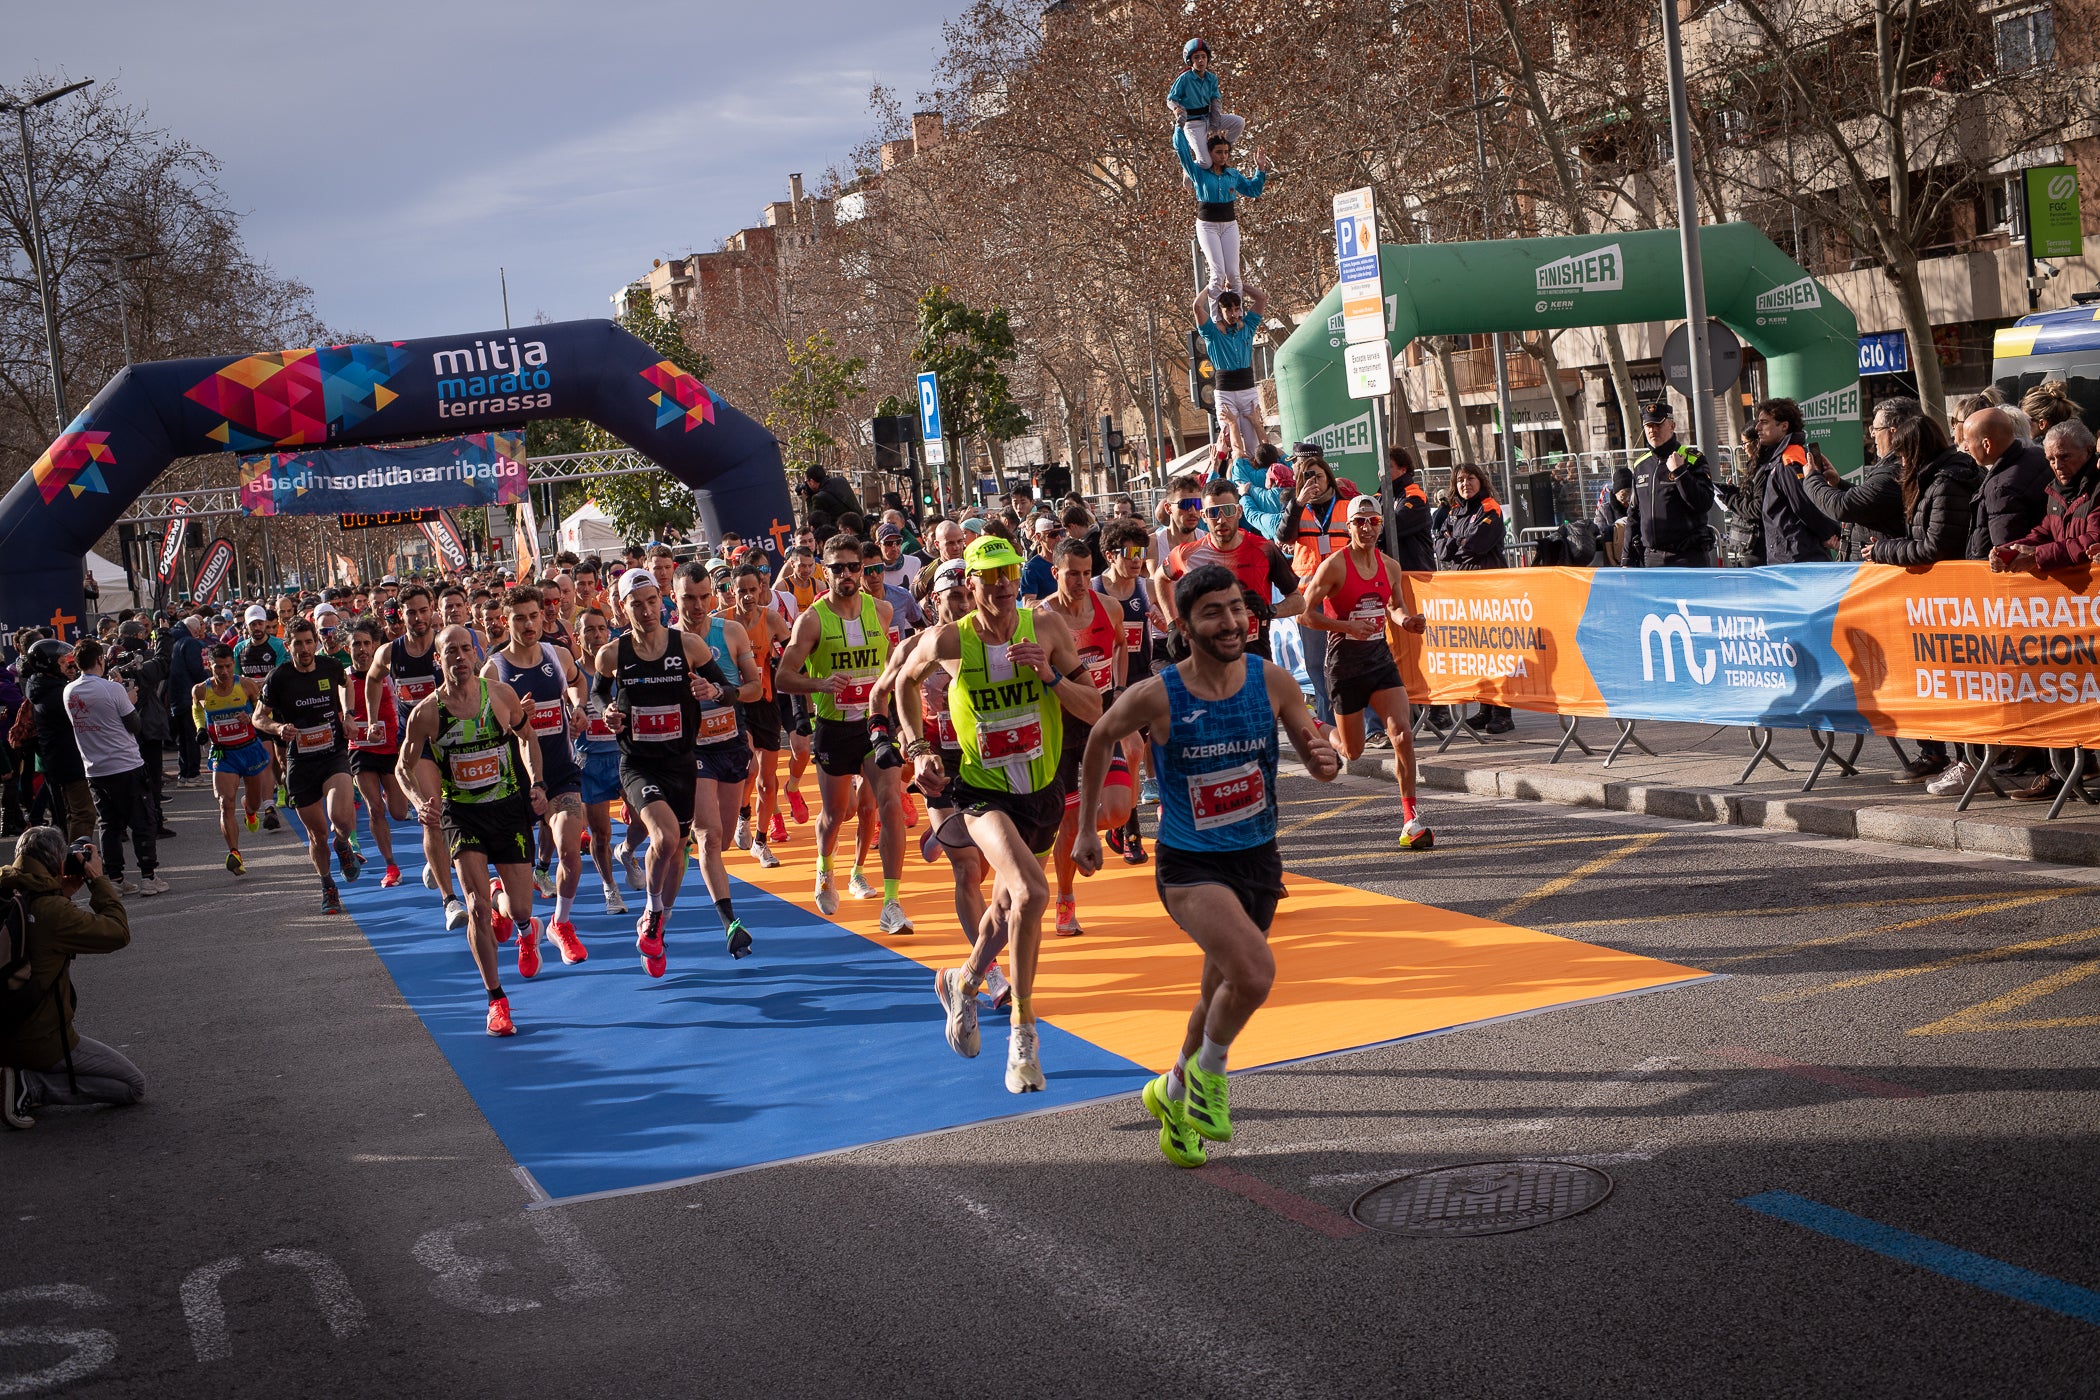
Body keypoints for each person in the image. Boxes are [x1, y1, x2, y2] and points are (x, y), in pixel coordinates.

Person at [1072, 563, 1341, 1166]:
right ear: (1186, 626)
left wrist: (1325, 760)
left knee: (1217, 993)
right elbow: (1099, 737)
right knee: (1255, 974)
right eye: (1213, 612)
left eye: (1236, 608)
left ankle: (1170, 1093)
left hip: (1258, 859)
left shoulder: (1271, 681)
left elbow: (1313, 748)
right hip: (1191, 866)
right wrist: (1088, 827)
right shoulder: (1158, 694)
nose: (1230, 622)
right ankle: (1208, 1078)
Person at [894, 535, 1101, 1093]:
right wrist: (918, 748)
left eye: (1010, 574)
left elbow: (1094, 708)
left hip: (1042, 791)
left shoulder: (1047, 628)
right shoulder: (947, 640)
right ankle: (1023, 1036)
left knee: (1007, 907)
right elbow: (902, 684)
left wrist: (1050, 677)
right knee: (1032, 894)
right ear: (971, 585)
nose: (1003, 586)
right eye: (989, 578)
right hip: (982, 792)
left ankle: (962, 983)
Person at [399, 626, 553, 1037]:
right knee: (477, 908)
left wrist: (537, 783)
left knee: (520, 909)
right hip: (462, 815)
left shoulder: (500, 696)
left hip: (507, 809)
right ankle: (496, 1001)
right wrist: (418, 802)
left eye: (467, 649)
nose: (460, 657)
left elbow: (527, 736)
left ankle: (524, 926)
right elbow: (403, 766)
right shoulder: (427, 713)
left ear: (476, 654)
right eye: (451, 651)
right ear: (439, 659)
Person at [773, 535, 911, 936]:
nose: (847, 574)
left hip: (875, 724)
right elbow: (783, 677)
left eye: (854, 567)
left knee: (886, 805)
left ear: (862, 570)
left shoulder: (882, 610)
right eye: (837, 568)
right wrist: (819, 684)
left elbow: (890, 665)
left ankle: (891, 902)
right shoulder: (812, 619)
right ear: (825, 570)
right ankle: (825, 869)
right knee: (836, 814)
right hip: (834, 728)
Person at [594, 569, 727, 974]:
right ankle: (651, 913)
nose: (647, 610)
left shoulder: (688, 645)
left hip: (681, 762)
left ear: (662, 599)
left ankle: (658, 928)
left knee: (678, 854)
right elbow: (598, 693)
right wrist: (607, 712)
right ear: (622, 608)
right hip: (638, 763)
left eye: (652, 601)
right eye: (637, 604)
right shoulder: (612, 654)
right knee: (665, 838)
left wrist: (712, 690)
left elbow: (729, 690)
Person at [1302, 495, 1434, 847]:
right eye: (1359, 522)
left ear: (1380, 525)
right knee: (1353, 752)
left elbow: (1395, 606)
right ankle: (1314, 723)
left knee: (1402, 734)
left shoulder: (1389, 566)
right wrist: (1346, 626)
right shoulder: (1333, 566)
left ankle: (1410, 819)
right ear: (1349, 527)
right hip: (1344, 666)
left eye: (1373, 521)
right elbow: (1305, 614)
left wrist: (1407, 621)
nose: (1367, 528)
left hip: (1379, 661)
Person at [1989, 419, 2100, 804]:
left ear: (2088, 452)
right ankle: (2067, 769)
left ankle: (2072, 768)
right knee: (2064, 690)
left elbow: (2092, 539)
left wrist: (2038, 556)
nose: (2057, 465)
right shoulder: (2056, 490)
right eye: (2051, 458)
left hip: (2089, 609)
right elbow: (2047, 531)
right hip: (2068, 612)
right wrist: (2014, 548)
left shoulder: (2096, 488)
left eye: (2065, 457)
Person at [1, 828, 142, 1129]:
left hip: (5, 1026)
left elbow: (33, 927)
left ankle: (11, 1075)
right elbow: (118, 933)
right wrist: (97, 879)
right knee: (132, 1085)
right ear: (57, 862)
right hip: (38, 1039)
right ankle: (30, 1086)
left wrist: (59, 890)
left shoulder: (9, 889)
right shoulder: (54, 911)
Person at [1034, 538, 1136, 938]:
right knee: (1069, 823)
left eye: (1086, 573)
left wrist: (1120, 691)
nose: (1080, 581)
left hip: (1100, 721)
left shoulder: (1109, 607)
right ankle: (1065, 898)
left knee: (1119, 811)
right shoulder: (1041, 618)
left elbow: (1122, 646)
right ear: (1055, 572)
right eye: (1072, 574)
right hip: (1059, 730)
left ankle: (1081, 830)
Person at [486, 586, 591, 965]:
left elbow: (578, 682)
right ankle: (511, 915)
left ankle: (560, 923)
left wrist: (579, 708)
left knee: (570, 849)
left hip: (560, 772)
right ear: (506, 621)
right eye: (520, 618)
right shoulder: (494, 670)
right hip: (514, 781)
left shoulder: (557, 654)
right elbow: (482, 731)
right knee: (519, 897)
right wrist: (513, 718)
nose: (529, 624)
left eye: (533, 616)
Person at [669, 563, 761, 958]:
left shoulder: (732, 632)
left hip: (731, 743)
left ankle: (685, 835)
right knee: (709, 837)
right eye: (688, 598)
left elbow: (756, 688)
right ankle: (730, 923)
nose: (697, 605)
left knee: (719, 839)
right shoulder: (665, 643)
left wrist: (723, 693)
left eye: (704, 596)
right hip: (693, 751)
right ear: (673, 597)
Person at [368, 584, 466, 930]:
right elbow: (372, 678)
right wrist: (372, 719)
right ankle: (450, 901)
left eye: (424, 610)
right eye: (411, 612)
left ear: (432, 610)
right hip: (417, 742)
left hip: (454, 736)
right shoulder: (390, 652)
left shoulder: (447, 645)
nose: (419, 617)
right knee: (432, 813)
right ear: (401, 614)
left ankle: (438, 855)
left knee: (460, 811)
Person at [256, 618, 364, 914]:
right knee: (317, 836)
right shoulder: (278, 678)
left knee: (341, 819)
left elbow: (347, 685)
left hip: (332, 755)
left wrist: (349, 715)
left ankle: (343, 844)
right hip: (300, 763)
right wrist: (278, 728)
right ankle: (328, 886)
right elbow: (258, 717)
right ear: (287, 645)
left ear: (316, 642)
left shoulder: (330, 666)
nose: (304, 649)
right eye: (298, 644)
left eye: (308, 642)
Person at [1157, 477, 1302, 662]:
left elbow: (1299, 602)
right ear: (1203, 516)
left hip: (1254, 658)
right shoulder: (1186, 554)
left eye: (1228, 510)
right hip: (1208, 661)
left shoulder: (1264, 549)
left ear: (1239, 511)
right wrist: (1172, 625)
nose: (1221, 520)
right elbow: (1160, 578)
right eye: (1213, 512)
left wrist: (1271, 610)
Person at [64, 639, 163, 897]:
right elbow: (134, 725)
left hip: (95, 768)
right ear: (100, 659)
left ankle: (116, 879)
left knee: (109, 824)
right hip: (125, 764)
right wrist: (129, 698)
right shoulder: (112, 690)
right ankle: (149, 877)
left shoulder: (69, 691)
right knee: (142, 821)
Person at [1094, 517, 1167, 853]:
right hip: (1107, 685)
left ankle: (1121, 823)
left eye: (1142, 552)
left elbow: (1173, 625)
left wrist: (1164, 623)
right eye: (1131, 553)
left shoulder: (1147, 589)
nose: (1139, 559)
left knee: (1140, 753)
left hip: (1142, 681)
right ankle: (1130, 831)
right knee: (1133, 750)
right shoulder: (1095, 589)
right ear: (1111, 555)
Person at [1273, 450, 1351, 725]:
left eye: (1317, 476)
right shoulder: (1297, 507)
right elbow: (1283, 536)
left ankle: (1360, 723)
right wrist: (1298, 503)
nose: (1313, 482)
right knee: (1316, 664)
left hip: (1342, 595)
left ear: (1328, 477)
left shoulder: (1346, 506)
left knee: (1347, 661)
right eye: (1307, 477)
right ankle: (1329, 724)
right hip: (1310, 599)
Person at [1436, 463, 1514, 733]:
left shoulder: (1490, 508)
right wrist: (1460, 541)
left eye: (1470, 478)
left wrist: (1455, 540)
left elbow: (1478, 544)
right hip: (1463, 589)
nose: (1465, 483)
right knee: (1477, 652)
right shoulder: (1454, 511)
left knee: (1496, 652)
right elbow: (1441, 549)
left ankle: (1503, 713)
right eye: (1460, 480)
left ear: (1480, 481)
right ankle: (1485, 708)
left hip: (1490, 588)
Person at [1172, 108, 1269, 300]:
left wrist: (1260, 169)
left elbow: (1253, 190)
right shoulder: (1199, 173)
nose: (1223, 156)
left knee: (1233, 274)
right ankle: (1216, 314)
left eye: (1226, 152)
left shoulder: (1232, 175)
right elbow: (1182, 152)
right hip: (1208, 225)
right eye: (1218, 152)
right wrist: (1179, 127)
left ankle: (1236, 312)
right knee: (1217, 274)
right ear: (1209, 153)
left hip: (1229, 224)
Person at [193, 643, 272, 875]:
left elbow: (264, 711)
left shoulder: (245, 685)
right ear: (210, 666)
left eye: (228, 666)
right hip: (222, 752)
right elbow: (196, 710)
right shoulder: (201, 690)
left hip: (249, 749)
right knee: (225, 802)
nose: (224, 672)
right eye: (219, 667)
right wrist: (201, 728)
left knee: (255, 802)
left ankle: (250, 809)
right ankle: (235, 854)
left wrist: (251, 717)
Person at [730, 564, 790, 869]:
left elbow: (794, 651)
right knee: (749, 768)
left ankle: (761, 842)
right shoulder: (723, 622)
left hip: (766, 702)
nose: (748, 596)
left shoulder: (772, 619)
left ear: (761, 589)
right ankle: (743, 814)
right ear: (732, 591)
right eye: (742, 590)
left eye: (753, 589)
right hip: (737, 703)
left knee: (767, 782)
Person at [344, 619, 409, 887]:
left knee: (399, 812)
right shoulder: (343, 679)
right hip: (360, 749)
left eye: (366, 644)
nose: (362, 649)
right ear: (347, 648)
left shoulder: (388, 674)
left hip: (390, 746)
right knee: (375, 808)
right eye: (356, 644)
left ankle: (389, 792)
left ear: (374, 646)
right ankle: (391, 866)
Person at [1623, 401, 1717, 568]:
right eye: (1648, 426)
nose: (1652, 430)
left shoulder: (1692, 459)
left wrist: (1680, 472)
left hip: (1687, 557)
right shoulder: (1640, 465)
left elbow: (1704, 503)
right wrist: (1626, 559)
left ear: (1672, 426)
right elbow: (1634, 515)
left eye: (1658, 424)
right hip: (1652, 558)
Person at [1751, 397, 1838, 564]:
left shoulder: (1789, 458)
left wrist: (1828, 534)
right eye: (1758, 422)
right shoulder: (1785, 455)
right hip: (1793, 550)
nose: (1757, 427)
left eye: (1764, 422)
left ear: (1784, 426)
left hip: (1797, 554)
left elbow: (1803, 503)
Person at [1193, 287, 1269, 461]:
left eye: (1236, 309)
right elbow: (1197, 307)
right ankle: (1234, 474)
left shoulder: (1247, 327)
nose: (1233, 314)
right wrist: (1211, 287)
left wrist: (1240, 286)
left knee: (1254, 445)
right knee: (1230, 440)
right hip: (1225, 393)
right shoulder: (1212, 333)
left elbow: (1261, 298)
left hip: (1247, 391)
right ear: (1219, 311)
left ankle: (1254, 473)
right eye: (1228, 310)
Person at [168, 615, 209, 787]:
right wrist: (208, 679)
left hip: (176, 696)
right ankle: (193, 773)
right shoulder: (190, 643)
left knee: (183, 739)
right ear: (195, 630)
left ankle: (184, 774)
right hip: (189, 695)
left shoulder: (173, 641)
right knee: (192, 736)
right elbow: (196, 669)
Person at [1019, 515, 1063, 602]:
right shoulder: (1032, 568)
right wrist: (1059, 598)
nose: (1059, 538)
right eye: (1053, 534)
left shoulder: (1071, 560)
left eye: (1062, 532)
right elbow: (1028, 604)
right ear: (1038, 537)